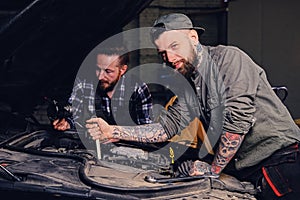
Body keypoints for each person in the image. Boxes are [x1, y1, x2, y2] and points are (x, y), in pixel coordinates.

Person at [85, 13, 300, 199]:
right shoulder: (188, 84)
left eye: (174, 46)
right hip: (246, 171)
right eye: (162, 53)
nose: (168, 57)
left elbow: (237, 122)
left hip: (280, 160)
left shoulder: (229, 59)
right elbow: (165, 128)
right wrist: (113, 131)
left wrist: (212, 170)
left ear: (193, 37)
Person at [52, 45, 153, 131]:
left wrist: (119, 134)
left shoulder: (138, 89)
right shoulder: (83, 84)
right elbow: (74, 114)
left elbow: (146, 130)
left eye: (108, 71)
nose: (100, 76)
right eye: (97, 69)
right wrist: (67, 123)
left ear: (123, 70)